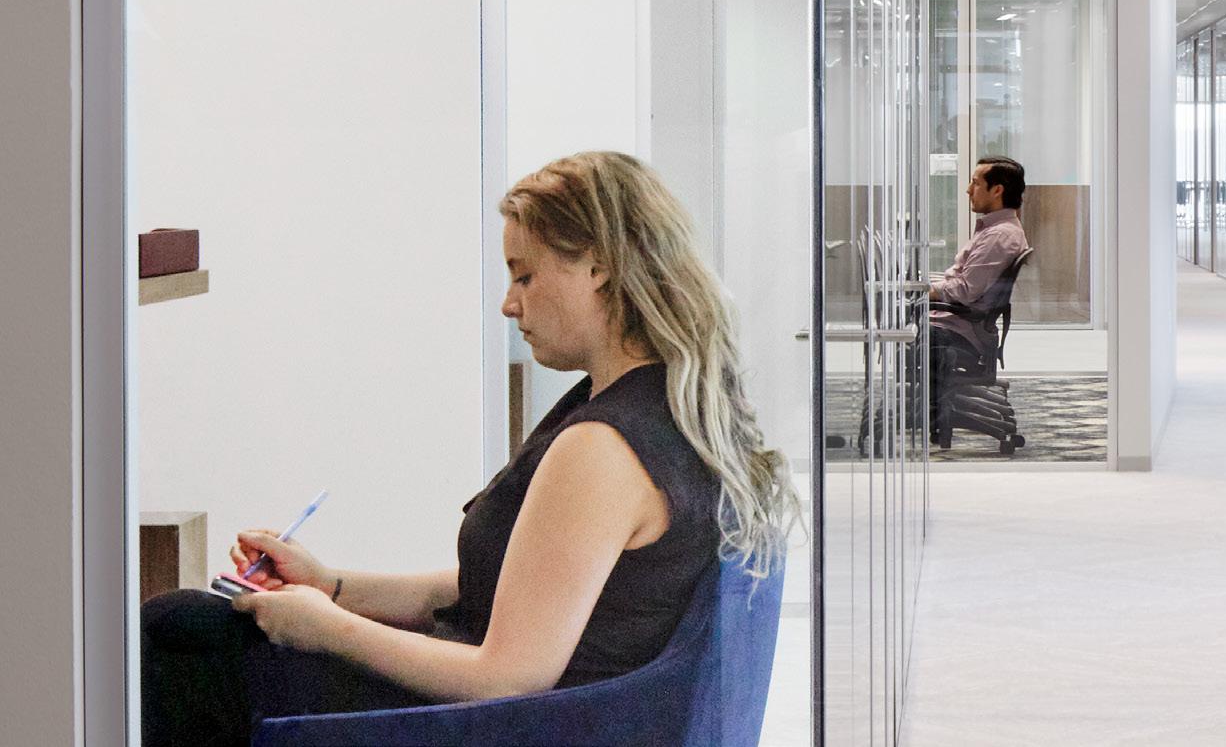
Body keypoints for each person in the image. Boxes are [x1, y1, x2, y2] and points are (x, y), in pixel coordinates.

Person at [141, 152, 799, 747]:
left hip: (506, 726)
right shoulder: (661, 409)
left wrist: (324, 626)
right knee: (191, 625)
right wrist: (331, 586)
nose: (509, 304)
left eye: (525, 276)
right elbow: (509, 590)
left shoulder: (604, 449)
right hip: (533, 713)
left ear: (598, 267)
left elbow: (506, 678)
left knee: (180, 635)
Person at [927, 155, 1031, 444]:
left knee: (900, 328)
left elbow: (965, 290)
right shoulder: (995, 231)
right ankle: (935, 407)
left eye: (975, 183)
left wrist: (924, 291)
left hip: (957, 331)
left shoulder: (999, 236)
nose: (968, 190)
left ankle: (933, 412)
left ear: (997, 190)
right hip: (960, 324)